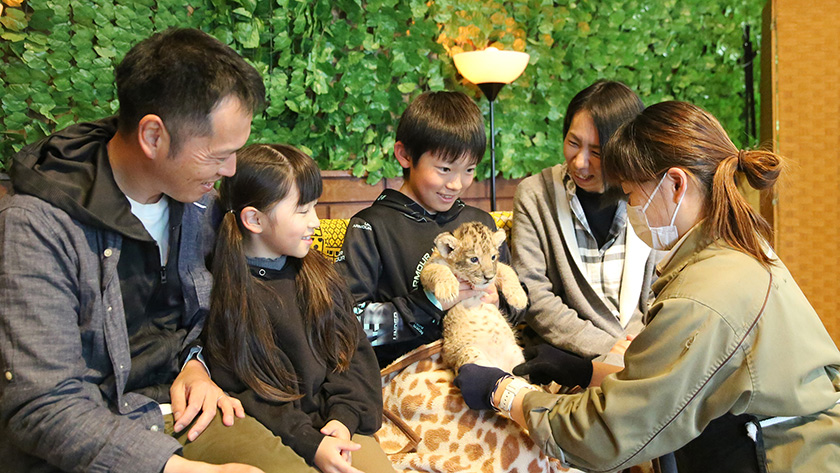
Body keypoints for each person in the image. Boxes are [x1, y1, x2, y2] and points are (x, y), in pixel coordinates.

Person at [454, 101, 840, 473]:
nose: (630, 205)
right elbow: (685, 378)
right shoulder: (734, 251)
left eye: (632, 193)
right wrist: (589, 371)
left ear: (675, 184)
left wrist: (505, 393)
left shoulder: (703, 296)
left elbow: (606, 433)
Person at [0, 28, 292, 473]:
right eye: (218, 155)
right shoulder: (36, 227)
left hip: (184, 411)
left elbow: (207, 320)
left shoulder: (200, 207)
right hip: (90, 441)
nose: (231, 169)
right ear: (153, 136)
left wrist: (196, 367)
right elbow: (43, 405)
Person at [203, 143, 394, 473]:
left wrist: (344, 419)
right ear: (254, 219)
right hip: (275, 431)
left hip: (334, 422)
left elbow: (351, 355)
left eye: (315, 208)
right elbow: (245, 390)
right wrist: (311, 442)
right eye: (303, 210)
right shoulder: (226, 292)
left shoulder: (318, 273)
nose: (316, 223)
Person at [336, 90, 520, 368]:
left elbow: (517, 308)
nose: (457, 184)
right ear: (405, 155)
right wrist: (430, 303)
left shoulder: (481, 225)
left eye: (469, 170)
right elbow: (347, 324)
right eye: (445, 169)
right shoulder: (371, 227)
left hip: (492, 362)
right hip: (408, 373)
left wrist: (499, 301)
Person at [510, 80, 655, 382]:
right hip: (567, 363)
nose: (580, 162)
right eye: (573, 143)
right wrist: (612, 351)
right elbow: (532, 294)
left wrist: (642, 354)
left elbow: (663, 288)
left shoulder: (652, 195)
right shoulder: (536, 194)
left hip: (647, 360)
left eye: (597, 152)